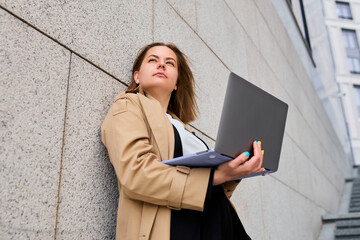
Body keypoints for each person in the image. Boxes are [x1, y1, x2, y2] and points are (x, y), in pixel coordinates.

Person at [101, 42, 264, 240]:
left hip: (219, 223)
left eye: (170, 63)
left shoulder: (183, 128)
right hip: (174, 228)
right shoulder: (128, 105)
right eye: (153, 60)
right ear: (137, 76)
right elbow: (136, 173)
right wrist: (216, 176)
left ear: (176, 83)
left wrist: (235, 171)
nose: (161, 65)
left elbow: (202, 190)